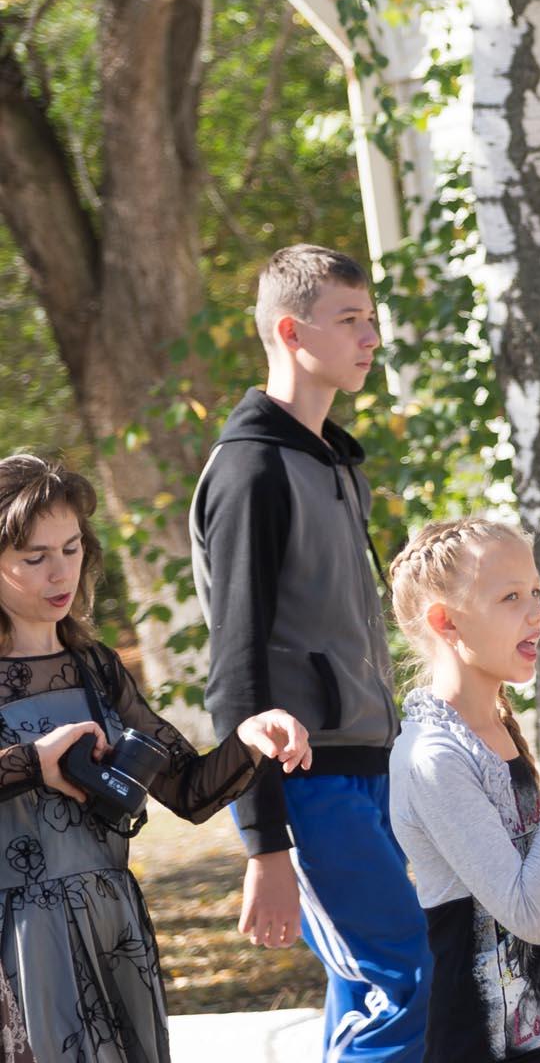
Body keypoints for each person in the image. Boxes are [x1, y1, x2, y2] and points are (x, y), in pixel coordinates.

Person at [188, 244, 429, 1062]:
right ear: (292, 333)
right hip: (307, 780)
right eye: (351, 321)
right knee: (401, 975)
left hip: (372, 762)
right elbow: (236, 669)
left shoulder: (334, 462)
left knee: (370, 982)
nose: (371, 338)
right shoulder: (251, 471)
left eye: (372, 320)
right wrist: (265, 846)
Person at [0, 454, 311, 1063]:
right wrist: (35, 761)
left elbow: (190, 792)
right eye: (34, 558)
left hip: (114, 927)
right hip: (16, 941)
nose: (60, 572)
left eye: (71, 548)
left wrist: (249, 736)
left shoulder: (98, 668)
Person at [388, 517, 540, 1063]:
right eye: (510, 597)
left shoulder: (496, 729)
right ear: (445, 622)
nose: (537, 611)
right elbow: (525, 911)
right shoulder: (433, 759)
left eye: (535, 592)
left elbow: (538, 911)